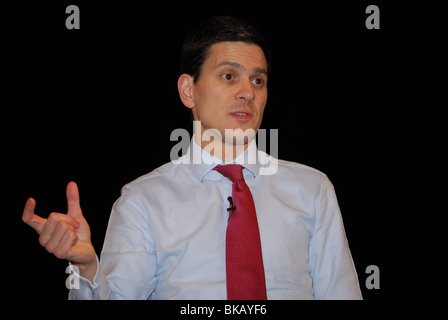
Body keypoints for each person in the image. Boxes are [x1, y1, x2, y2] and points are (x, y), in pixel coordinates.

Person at [22, 16, 362, 299]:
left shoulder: (313, 190)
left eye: (258, 79)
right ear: (189, 91)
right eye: (229, 76)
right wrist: (86, 269)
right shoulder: (143, 201)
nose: (248, 92)